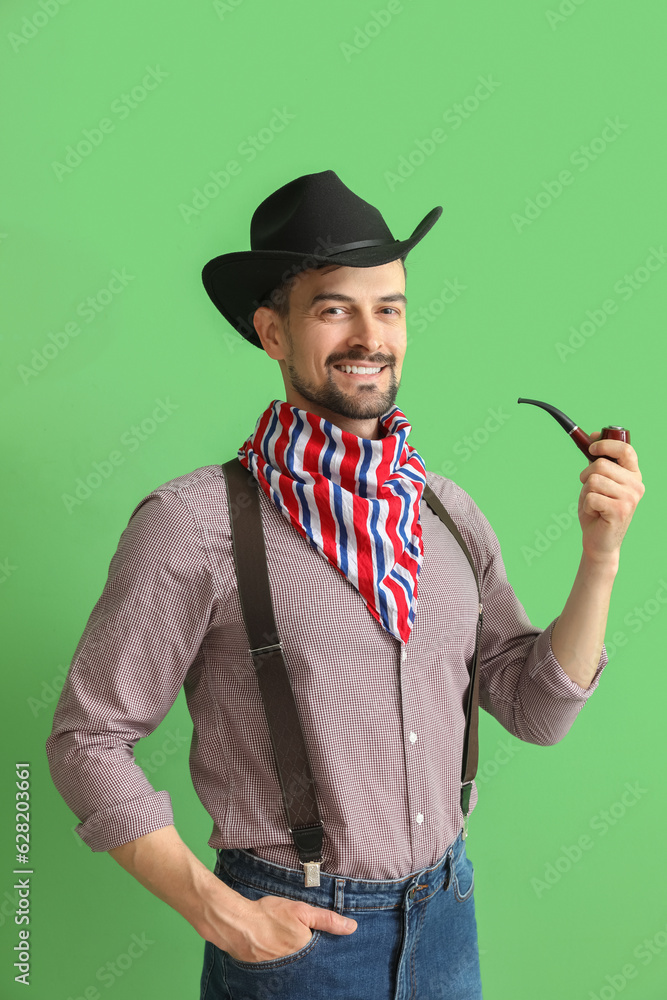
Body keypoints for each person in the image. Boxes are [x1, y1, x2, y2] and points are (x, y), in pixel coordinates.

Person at [46, 169, 645, 1000]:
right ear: (272, 332)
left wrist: (601, 556)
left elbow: (534, 710)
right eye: (334, 307)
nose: (370, 334)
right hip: (297, 942)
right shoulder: (194, 524)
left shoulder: (445, 512)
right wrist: (218, 910)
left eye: (389, 307)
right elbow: (88, 740)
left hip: (446, 918)